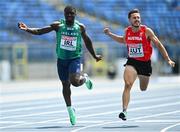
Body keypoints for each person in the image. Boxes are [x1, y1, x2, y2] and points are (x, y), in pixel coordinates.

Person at [18, 5, 102, 125]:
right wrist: (27, 29)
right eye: (67, 13)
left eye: (71, 13)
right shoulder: (58, 25)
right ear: (64, 14)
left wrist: (94, 56)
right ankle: (70, 109)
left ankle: (85, 78)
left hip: (75, 59)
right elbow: (40, 31)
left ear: (75, 14)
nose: (69, 15)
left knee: (75, 82)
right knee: (65, 85)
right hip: (61, 61)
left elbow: (87, 41)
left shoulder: (80, 27)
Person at [104, 9, 175, 121]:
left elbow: (159, 44)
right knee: (127, 84)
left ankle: (139, 76)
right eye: (134, 18)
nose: (137, 19)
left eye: (138, 17)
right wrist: (109, 34)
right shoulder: (127, 31)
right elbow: (122, 40)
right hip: (132, 61)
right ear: (129, 20)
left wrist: (168, 59)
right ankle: (124, 111)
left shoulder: (146, 31)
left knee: (143, 88)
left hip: (145, 63)